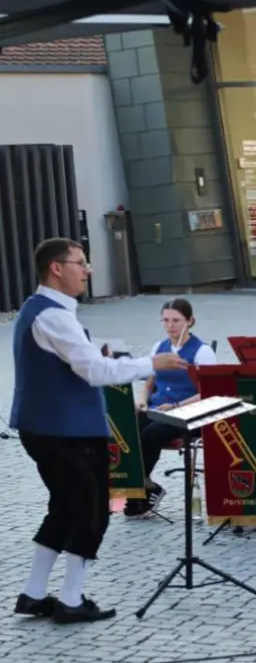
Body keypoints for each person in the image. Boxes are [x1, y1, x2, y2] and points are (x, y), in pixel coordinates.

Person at [12, 239, 188, 623]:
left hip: (47, 427)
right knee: (92, 511)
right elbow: (94, 372)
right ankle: (71, 600)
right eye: (80, 263)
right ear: (56, 268)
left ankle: (34, 593)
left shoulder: (38, 308)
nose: (87, 270)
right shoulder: (54, 315)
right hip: (65, 431)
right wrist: (150, 364)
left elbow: (77, 361)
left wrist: (99, 355)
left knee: (64, 507)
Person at [125, 298, 217, 518]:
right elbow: (150, 381)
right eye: (165, 320)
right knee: (128, 428)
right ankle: (143, 487)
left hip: (189, 413)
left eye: (176, 320)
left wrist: (176, 406)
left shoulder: (201, 351)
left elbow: (209, 392)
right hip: (159, 408)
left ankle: (140, 492)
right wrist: (142, 400)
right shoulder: (159, 347)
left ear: (190, 321)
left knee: (152, 433)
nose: (170, 325)